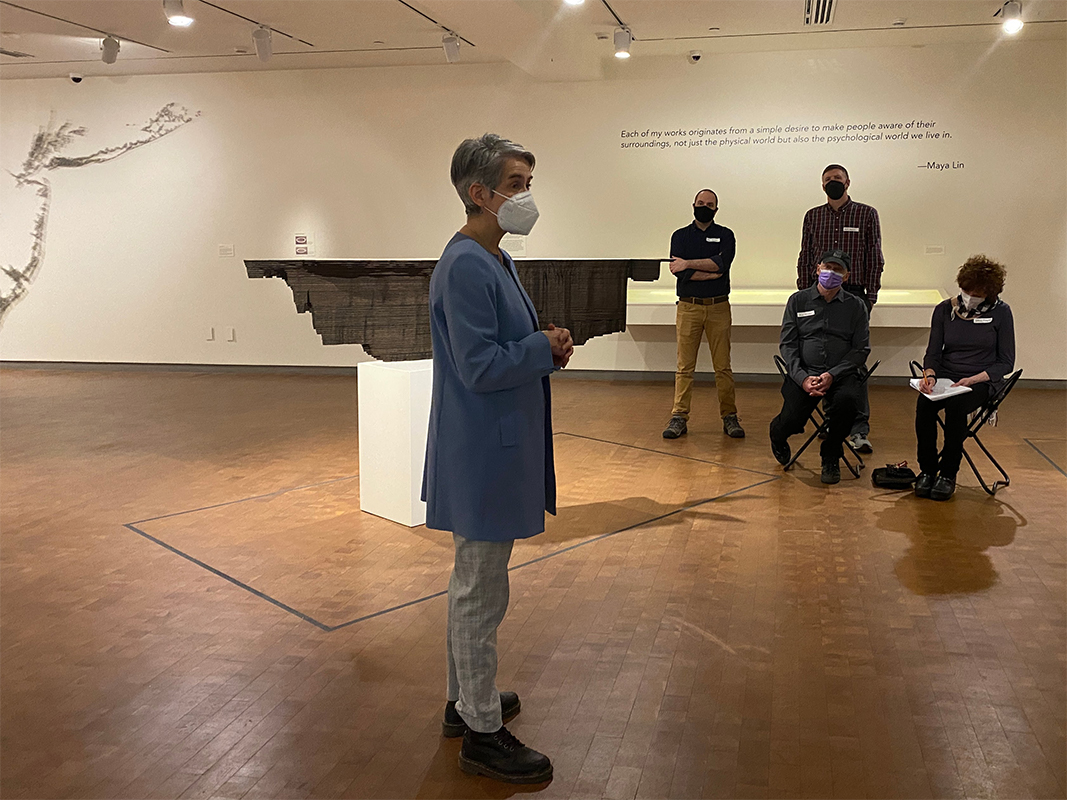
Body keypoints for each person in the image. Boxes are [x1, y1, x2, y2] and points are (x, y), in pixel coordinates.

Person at [422, 133, 572, 785]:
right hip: (482, 449)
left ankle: (467, 702)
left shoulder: (493, 258)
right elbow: (479, 367)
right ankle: (482, 731)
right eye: (515, 183)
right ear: (477, 193)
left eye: (527, 181)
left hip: (495, 443)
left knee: (479, 585)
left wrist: (544, 343)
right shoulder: (464, 264)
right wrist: (539, 346)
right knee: (480, 590)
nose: (525, 195)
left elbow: (503, 345)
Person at [796, 164, 884, 454]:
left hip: (854, 294)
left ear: (848, 182)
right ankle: (832, 422)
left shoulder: (866, 213)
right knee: (822, 355)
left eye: (837, 179)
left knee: (853, 362)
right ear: (822, 186)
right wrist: (803, 291)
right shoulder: (813, 216)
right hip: (818, 293)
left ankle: (859, 429)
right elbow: (805, 254)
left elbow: (874, 256)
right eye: (828, 180)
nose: (832, 183)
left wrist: (870, 296)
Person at [914, 256, 1015, 501]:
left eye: (977, 293)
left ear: (990, 293)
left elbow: (1006, 362)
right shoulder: (944, 309)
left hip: (981, 380)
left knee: (956, 408)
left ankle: (948, 473)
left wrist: (974, 379)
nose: (970, 296)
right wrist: (929, 375)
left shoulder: (1001, 313)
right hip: (947, 376)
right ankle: (927, 470)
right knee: (924, 406)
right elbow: (933, 353)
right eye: (967, 290)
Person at [771, 249, 870, 484]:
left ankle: (831, 456)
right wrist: (802, 378)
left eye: (838, 270)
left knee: (846, 404)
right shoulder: (798, 300)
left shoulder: (856, 306)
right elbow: (788, 344)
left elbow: (861, 350)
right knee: (793, 419)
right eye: (827, 267)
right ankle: (777, 434)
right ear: (817, 269)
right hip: (803, 372)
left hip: (841, 375)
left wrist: (832, 375)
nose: (831, 273)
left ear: (846, 276)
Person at [662, 188, 745, 440]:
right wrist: (701, 268)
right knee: (684, 367)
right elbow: (678, 271)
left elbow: (722, 265)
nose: (704, 207)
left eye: (710, 204)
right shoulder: (679, 236)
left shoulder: (726, 235)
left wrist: (689, 263)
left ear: (716, 209)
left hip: (719, 306)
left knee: (723, 367)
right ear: (693, 205)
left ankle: (729, 416)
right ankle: (679, 417)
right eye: (700, 203)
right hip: (688, 306)